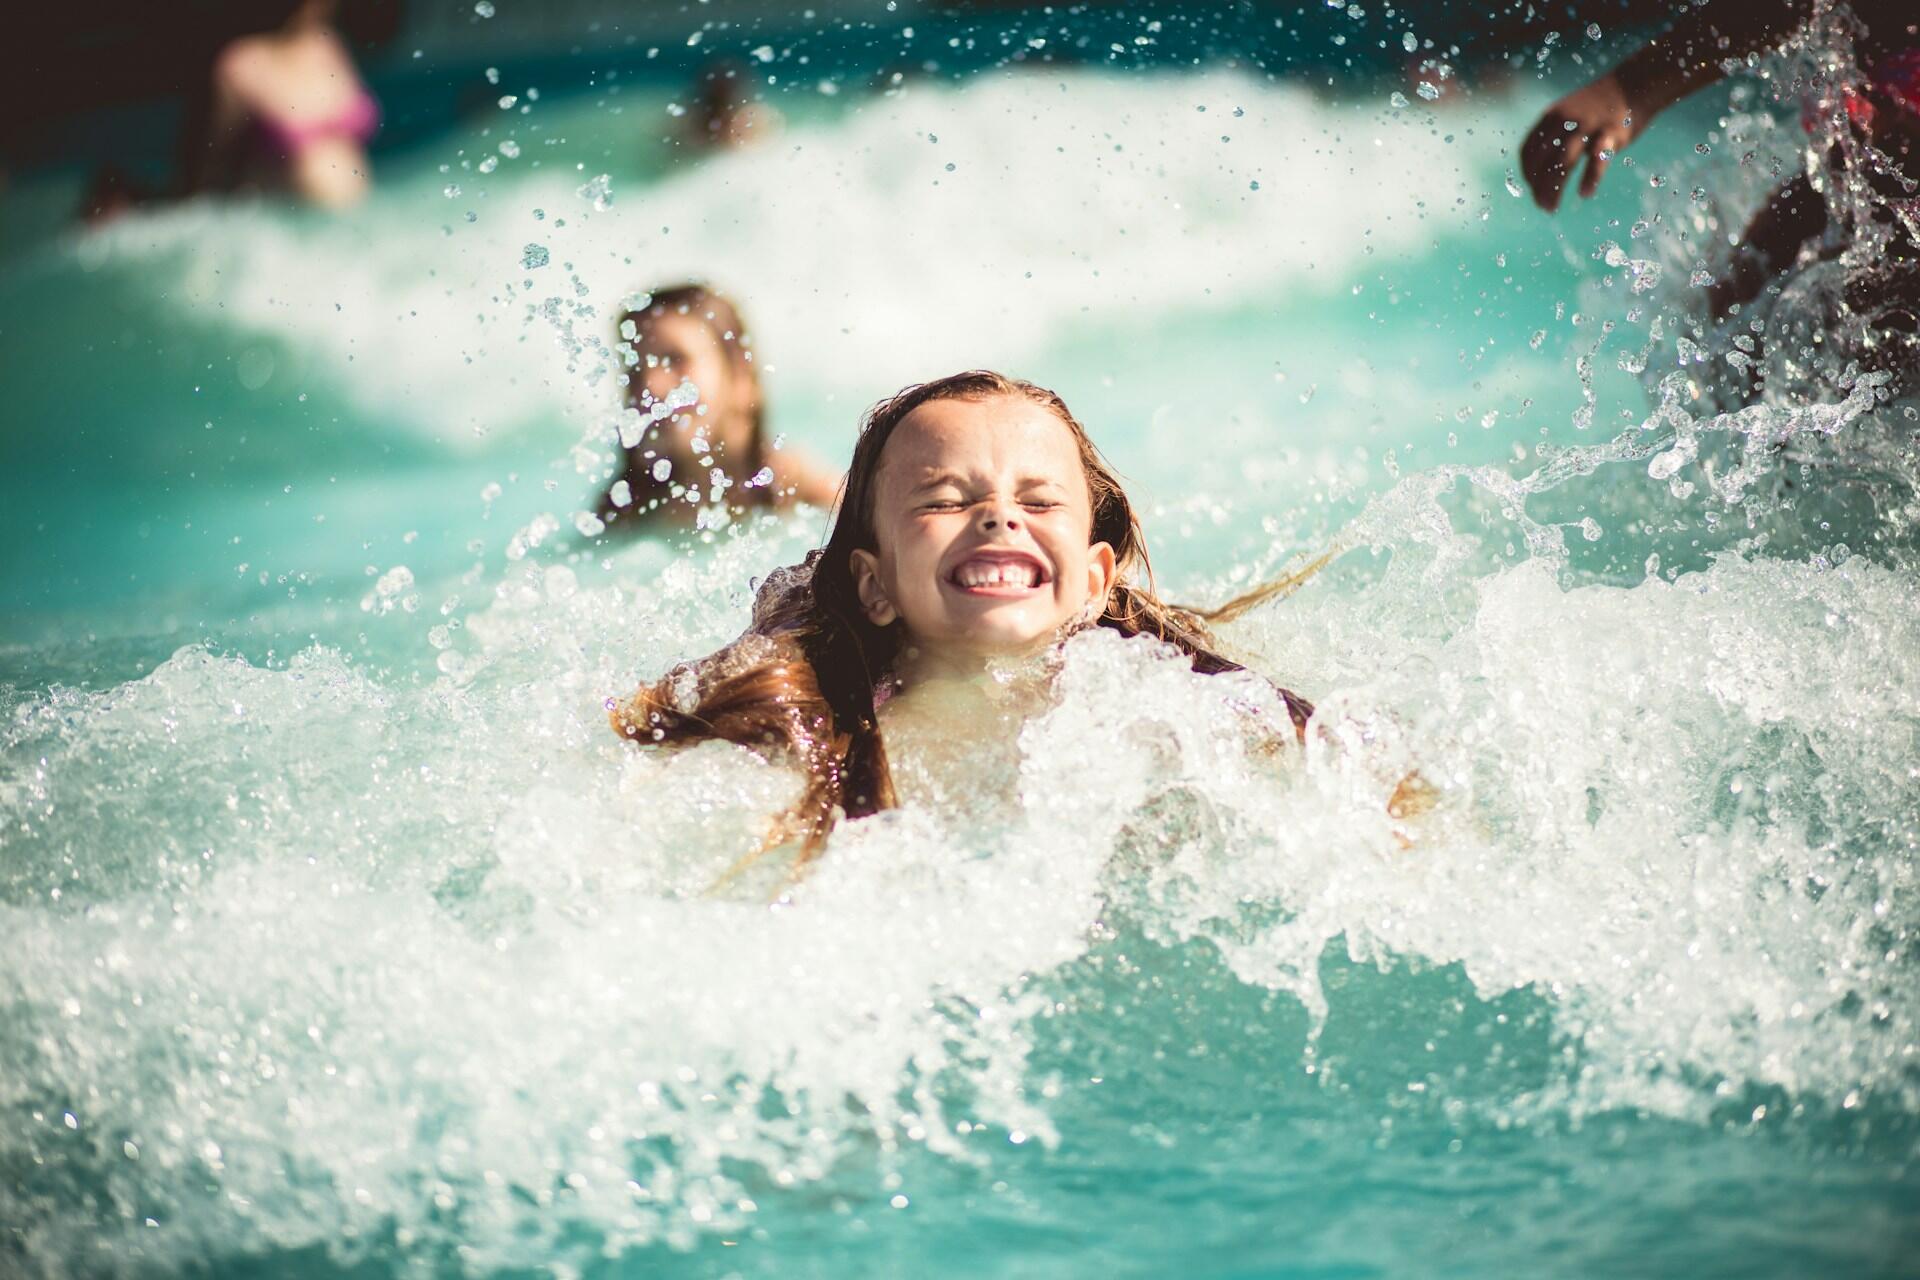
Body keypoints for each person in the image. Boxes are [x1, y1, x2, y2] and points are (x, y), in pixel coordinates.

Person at [606, 371, 1369, 880]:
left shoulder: (1174, 718)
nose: (1000, 515)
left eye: (1039, 502)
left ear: (1096, 582)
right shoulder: (814, 742)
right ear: (876, 585)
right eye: (942, 501)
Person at [1519, 0, 1917, 328]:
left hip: (1891, 164)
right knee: (1736, 314)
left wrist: (1631, 90)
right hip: (1874, 168)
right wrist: (1630, 91)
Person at [597, 284, 838, 529]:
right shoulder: (626, 511)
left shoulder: (808, 494)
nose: (650, 386)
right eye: (635, 371)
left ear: (741, 376)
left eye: (675, 359)